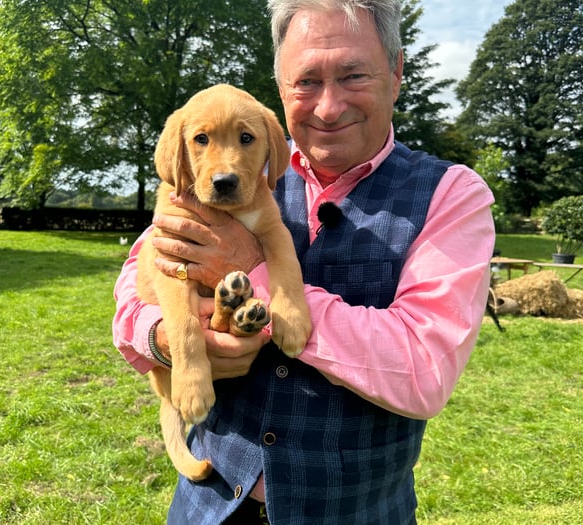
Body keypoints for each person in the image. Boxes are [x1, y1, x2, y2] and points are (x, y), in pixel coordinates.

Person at [112, 0, 495, 523]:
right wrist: (163, 339)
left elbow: (422, 370)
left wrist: (256, 271)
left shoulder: (451, 195)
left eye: (353, 75)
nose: (329, 106)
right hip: (210, 503)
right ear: (280, 88)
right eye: (306, 81)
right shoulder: (245, 163)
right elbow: (136, 288)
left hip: (353, 511)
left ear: (396, 70)